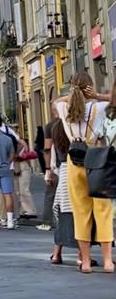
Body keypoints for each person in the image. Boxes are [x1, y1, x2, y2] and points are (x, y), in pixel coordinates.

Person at [53, 72, 113, 273]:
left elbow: (56, 101)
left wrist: (74, 93)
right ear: (90, 87)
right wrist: (96, 95)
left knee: (81, 211)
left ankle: (85, 262)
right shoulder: (99, 107)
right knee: (103, 211)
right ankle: (107, 262)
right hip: (97, 159)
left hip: (75, 161)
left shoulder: (64, 107)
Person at [48, 118, 75, 265]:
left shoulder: (56, 133)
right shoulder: (75, 131)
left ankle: (56, 253)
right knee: (80, 215)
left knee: (63, 214)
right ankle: (82, 255)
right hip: (77, 170)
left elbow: (53, 164)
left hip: (63, 173)